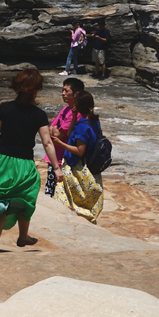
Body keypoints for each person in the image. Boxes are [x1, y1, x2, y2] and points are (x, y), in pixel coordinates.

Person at [0, 67, 63, 253]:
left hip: (1, 162)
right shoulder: (39, 115)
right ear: (36, 91)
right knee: (26, 198)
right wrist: (57, 168)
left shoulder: (5, 108)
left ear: (16, 88)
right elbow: (47, 143)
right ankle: (23, 236)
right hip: (23, 164)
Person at [51, 89, 106, 224]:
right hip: (89, 165)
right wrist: (74, 117)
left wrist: (59, 143)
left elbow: (79, 150)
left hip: (77, 166)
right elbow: (70, 133)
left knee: (65, 196)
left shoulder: (83, 128)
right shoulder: (93, 121)